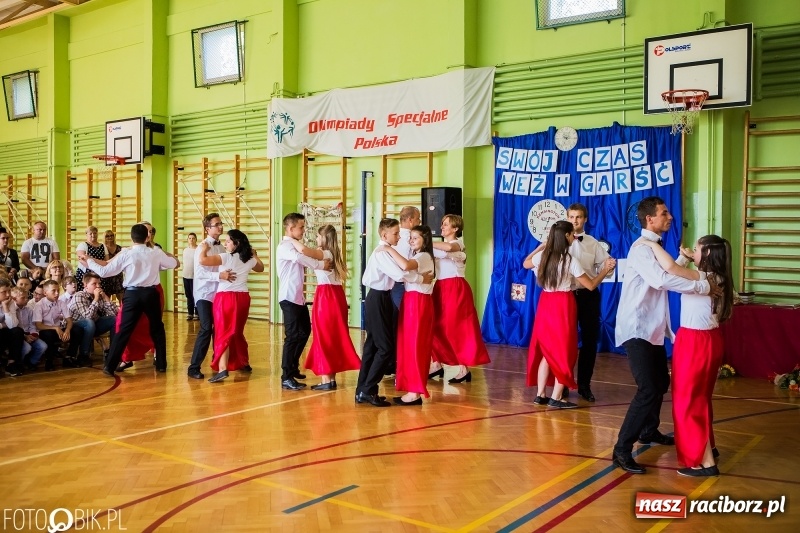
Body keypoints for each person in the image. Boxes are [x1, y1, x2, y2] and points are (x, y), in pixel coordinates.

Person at [612, 196, 715, 475]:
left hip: (653, 329)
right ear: (650, 219)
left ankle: (649, 431)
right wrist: (703, 283)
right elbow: (661, 280)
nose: (669, 217)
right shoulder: (642, 249)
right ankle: (622, 449)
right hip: (638, 328)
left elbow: (663, 273)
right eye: (664, 213)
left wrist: (682, 260)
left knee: (659, 384)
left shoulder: (653, 247)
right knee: (648, 389)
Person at [639, 235, 733, 477]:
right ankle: (708, 446)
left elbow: (669, 270)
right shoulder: (719, 277)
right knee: (701, 398)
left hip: (695, 342)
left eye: (698, 249)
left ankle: (704, 461)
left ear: (708, 254)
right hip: (710, 340)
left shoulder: (703, 278)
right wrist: (690, 258)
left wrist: (649, 244)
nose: (694, 251)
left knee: (687, 401)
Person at [523, 221, 615, 409]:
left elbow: (525, 264)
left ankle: (540, 394)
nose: (574, 236)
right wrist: (605, 270)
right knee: (564, 351)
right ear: (565, 236)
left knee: (547, 352)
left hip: (545, 303)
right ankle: (557, 397)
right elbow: (590, 285)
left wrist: (540, 247)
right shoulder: (569, 260)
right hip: (563, 303)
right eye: (572, 234)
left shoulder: (543, 256)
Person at [356, 218, 434, 407]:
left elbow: (402, 270)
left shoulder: (389, 251)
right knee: (385, 348)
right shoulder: (382, 252)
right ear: (384, 235)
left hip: (383, 298)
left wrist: (419, 277)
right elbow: (400, 274)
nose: (400, 236)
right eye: (396, 233)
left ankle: (364, 390)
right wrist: (421, 277)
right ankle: (367, 389)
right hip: (378, 298)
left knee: (374, 345)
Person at [83, 223, 178, 376]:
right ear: (147, 237)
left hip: (133, 295)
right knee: (157, 329)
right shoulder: (155, 252)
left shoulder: (127, 253)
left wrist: (89, 261)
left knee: (124, 330)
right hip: (151, 294)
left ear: (131, 237)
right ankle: (161, 364)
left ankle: (110, 366)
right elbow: (174, 263)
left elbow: (105, 271)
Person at [292, 224, 361, 390]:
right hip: (336, 296)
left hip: (327, 296)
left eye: (317, 236)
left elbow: (304, 251)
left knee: (323, 337)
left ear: (323, 238)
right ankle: (330, 378)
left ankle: (326, 380)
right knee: (331, 337)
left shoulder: (325, 253)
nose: (316, 239)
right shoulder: (335, 254)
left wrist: (290, 240)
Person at [428, 214, 490, 383]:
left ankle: (464, 367)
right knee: (434, 325)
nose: (442, 227)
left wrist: (427, 242)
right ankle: (437, 363)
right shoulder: (440, 246)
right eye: (442, 224)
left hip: (455, 288)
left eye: (446, 224)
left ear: (455, 229)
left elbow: (448, 249)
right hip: (440, 287)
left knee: (457, 327)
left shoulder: (457, 244)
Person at [380, 225, 436, 405]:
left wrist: (388, 247)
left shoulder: (423, 256)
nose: (411, 241)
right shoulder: (416, 255)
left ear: (424, 240)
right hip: (412, 301)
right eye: (410, 238)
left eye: (415, 238)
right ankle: (412, 389)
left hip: (418, 303)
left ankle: (415, 392)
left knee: (415, 345)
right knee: (408, 345)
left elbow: (405, 266)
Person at [199, 229, 264, 383]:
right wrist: (255, 255)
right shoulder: (248, 259)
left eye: (228, 240)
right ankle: (243, 362)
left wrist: (203, 250)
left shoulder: (226, 257)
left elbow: (203, 261)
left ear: (236, 243)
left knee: (223, 333)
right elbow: (260, 268)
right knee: (237, 332)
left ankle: (222, 369)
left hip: (226, 298)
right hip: (243, 298)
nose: (225, 243)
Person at [277, 213, 330, 391]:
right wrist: (321, 264)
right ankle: (286, 376)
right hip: (288, 297)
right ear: (290, 229)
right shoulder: (285, 246)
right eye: (301, 227)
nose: (303, 230)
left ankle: (292, 368)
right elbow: (301, 258)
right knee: (292, 336)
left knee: (304, 331)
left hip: (297, 298)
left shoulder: (294, 244)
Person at [187, 213, 231, 380]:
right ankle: (194, 367)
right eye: (217, 224)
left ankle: (218, 363)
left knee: (219, 330)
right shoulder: (202, 247)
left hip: (218, 294)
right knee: (206, 328)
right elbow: (201, 275)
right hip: (204, 293)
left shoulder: (221, 247)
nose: (220, 226)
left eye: (221, 223)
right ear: (207, 229)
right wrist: (220, 276)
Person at [388, 206, 421, 375]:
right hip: (400, 285)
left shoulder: (396, 238)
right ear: (410, 220)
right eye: (418, 219)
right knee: (404, 324)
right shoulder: (407, 238)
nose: (419, 222)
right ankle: (401, 362)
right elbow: (404, 266)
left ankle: (394, 362)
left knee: (396, 324)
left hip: (394, 285)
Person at [69, 271, 118, 365]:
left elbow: (114, 314)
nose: (98, 286)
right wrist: (95, 299)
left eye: (99, 283)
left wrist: (106, 298)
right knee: (89, 323)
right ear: (85, 285)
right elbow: (88, 316)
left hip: (93, 325)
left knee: (114, 320)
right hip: (76, 326)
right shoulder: (79, 296)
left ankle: (112, 353)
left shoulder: (99, 296)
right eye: (94, 284)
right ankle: (83, 355)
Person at [34, 279, 85, 369]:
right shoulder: (39, 305)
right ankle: (49, 360)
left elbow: (69, 320)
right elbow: (39, 325)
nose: (57, 293)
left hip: (59, 330)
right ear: (45, 293)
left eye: (58, 290)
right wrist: (55, 328)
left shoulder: (61, 303)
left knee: (78, 330)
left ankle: (70, 356)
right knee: (48, 334)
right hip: (46, 330)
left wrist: (67, 330)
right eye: (53, 291)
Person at [10, 286, 47, 370]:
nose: (26, 299)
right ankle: (19, 363)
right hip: (19, 337)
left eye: (27, 297)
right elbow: (13, 327)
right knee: (27, 348)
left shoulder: (29, 309)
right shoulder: (12, 311)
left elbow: (32, 325)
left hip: (29, 334)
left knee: (42, 346)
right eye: (23, 298)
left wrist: (33, 334)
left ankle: (32, 362)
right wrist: (24, 337)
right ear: (14, 299)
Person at [0, 279, 25, 376]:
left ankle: (11, 364)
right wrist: (3, 325)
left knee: (18, 331)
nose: (7, 295)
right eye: (4, 292)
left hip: (5, 332)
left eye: (9, 291)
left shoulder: (9, 302)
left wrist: (5, 307)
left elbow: (13, 325)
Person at [75, 226, 109, 291]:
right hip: (85, 274)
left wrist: (98, 268)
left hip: (100, 273)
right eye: (90, 233)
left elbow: (106, 261)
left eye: (95, 233)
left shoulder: (103, 246)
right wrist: (93, 268)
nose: (93, 235)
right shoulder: (83, 245)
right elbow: (82, 260)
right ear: (86, 235)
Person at [102, 230, 124, 301]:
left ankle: (122, 312)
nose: (110, 237)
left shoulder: (119, 248)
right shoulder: (102, 248)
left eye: (111, 235)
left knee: (122, 298)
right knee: (107, 299)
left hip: (118, 275)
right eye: (107, 236)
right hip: (107, 276)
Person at [182, 232, 198, 320]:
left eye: (193, 238)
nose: (191, 240)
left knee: (195, 294)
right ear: (187, 240)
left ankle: (197, 313)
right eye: (190, 238)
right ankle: (190, 313)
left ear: (196, 239)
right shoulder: (185, 250)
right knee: (188, 295)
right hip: (186, 275)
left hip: (195, 277)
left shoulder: (198, 250)